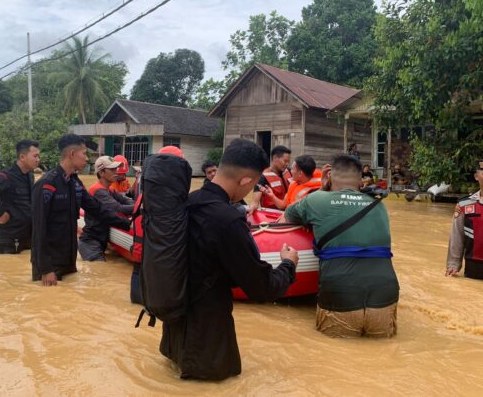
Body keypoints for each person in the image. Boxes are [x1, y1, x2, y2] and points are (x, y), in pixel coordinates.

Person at [159, 138, 299, 381]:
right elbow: (261, 288)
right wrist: (288, 265)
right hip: (207, 340)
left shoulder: (189, 202)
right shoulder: (228, 221)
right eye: (252, 184)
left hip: (174, 327)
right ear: (246, 180)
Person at [284, 154, 399, 338]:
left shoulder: (316, 200)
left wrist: (322, 188)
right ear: (361, 181)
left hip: (340, 293)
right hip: (385, 294)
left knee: (335, 358)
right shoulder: (379, 206)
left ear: (329, 176)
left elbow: (288, 215)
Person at [31, 134, 130, 286]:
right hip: (50, 265)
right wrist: (45, 269)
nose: (86, 158)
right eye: (84, 153)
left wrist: (128, 224)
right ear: (72, 154)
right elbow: (38, 229)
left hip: (69, 259)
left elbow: (97, 209)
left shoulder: (74, 183)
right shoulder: (46, 185)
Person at [0, 140, 40, 254]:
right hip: (8, 238)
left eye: (38, 156)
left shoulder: (30, 175)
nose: (38, 159)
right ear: (22, 157)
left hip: (26, 235)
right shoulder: (6, 175)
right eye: (35, 156)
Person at [78, 156, 134, 262]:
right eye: (112, 169)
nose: (116, 172)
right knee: (99, 270)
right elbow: (118, 208)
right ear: (102, 173)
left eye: (116, 169)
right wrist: (140, 208)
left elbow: (126, 201)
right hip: (91, 243)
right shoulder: (98, 191)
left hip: (100, 241)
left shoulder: (110, 189)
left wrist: (138, 204)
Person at [446, 160, 483, 279]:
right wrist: (453, 264)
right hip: (474, 265)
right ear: (476, 176)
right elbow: (457, 236)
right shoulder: (464, 204)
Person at [248, 146, 292, 214]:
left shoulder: (290, 172)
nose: (287, 164)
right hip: (272, 214)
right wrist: (252, 208)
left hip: (290, 213)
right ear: (275, 158)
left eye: (288, 161)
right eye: (285, 161)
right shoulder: (262, 177)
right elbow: (255, 202)